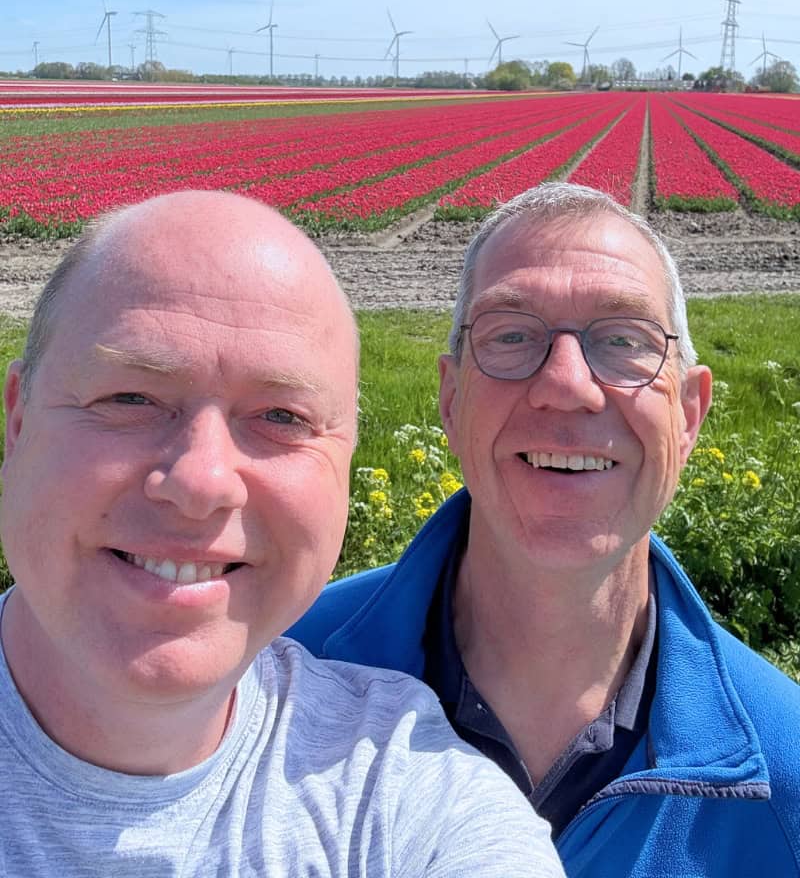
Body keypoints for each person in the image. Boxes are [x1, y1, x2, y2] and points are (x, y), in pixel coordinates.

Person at [0, 190, 565, 878]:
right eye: (129, 398)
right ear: (18, 421)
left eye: (282, 417)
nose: (202, 480)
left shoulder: (406, 793)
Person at [291, 181, 800, 877]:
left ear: (689, 414)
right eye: (511, 335)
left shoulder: (785, 777)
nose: (566, 383)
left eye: (624, 341)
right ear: (449, 398)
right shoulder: (277, 678)